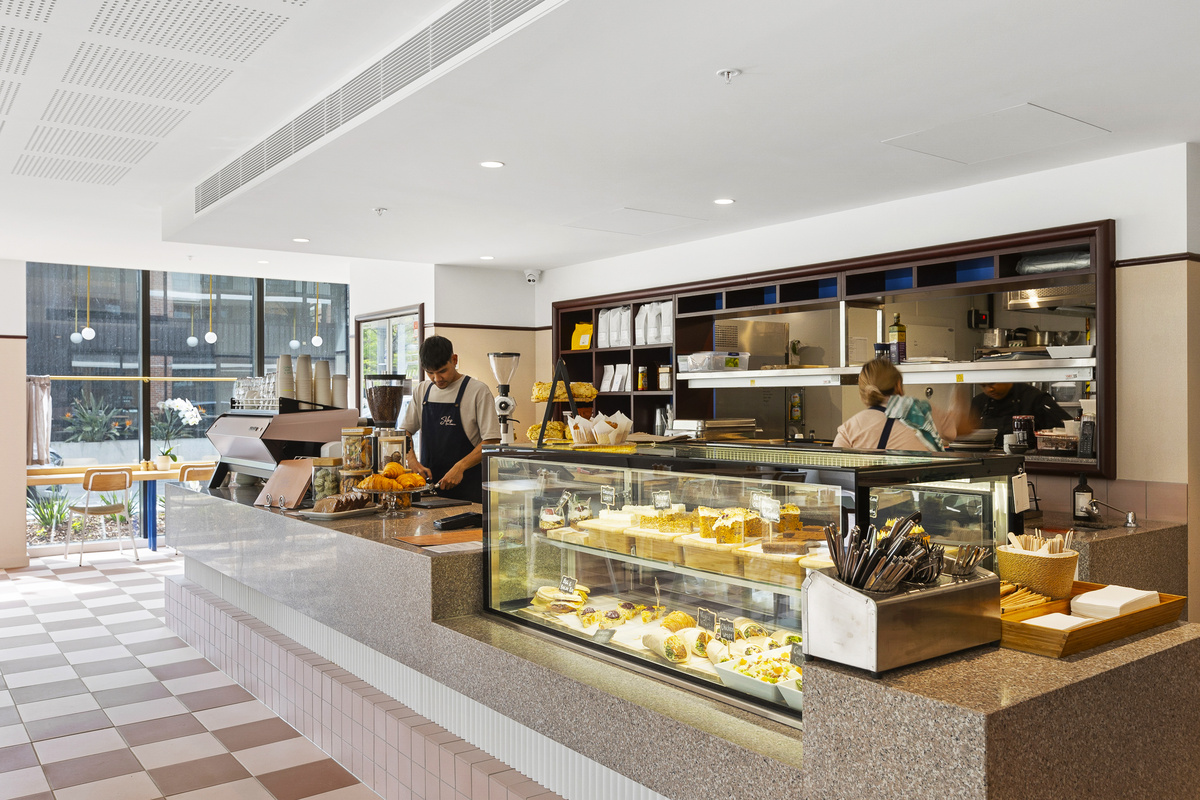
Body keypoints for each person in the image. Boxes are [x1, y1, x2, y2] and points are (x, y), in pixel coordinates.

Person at [402, 336, 500, 503]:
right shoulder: (422, 390)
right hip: (429, 492)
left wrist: (460, 467)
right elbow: (405, 432)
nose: (436, 379)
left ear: (454, 360)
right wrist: (412, 461)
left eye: (442, 371)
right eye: (430, 373)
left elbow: (491, 441)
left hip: (470, 491)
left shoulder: (477, 391)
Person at [833, 358, 970, 451]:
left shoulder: (848, 429)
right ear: (898, 385)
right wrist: (960, 385)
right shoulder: (922, 411)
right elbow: (961, 428)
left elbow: (835, 473)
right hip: (920, 485)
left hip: (871, 487)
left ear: (862, 393)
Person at [970, 382, 1071, 446]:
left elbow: (1066, 427)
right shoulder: (979, 402)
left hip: (1029, 462)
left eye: (992, 384)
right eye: (983, 386)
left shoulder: (1035, 398)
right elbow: (970, 435)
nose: (989, 389)